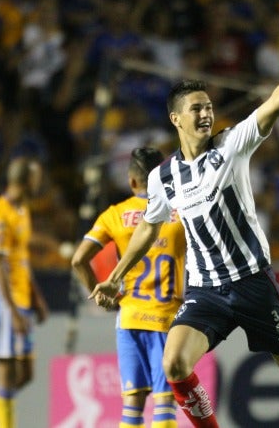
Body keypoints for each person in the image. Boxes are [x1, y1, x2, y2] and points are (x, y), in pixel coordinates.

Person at [91, 12, 279, 428]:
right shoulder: (163, 177)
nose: (206, 114)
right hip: (206, 290)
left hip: (253, 282)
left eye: (209, 107)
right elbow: (148, 228)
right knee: (174, 363)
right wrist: (117, 276)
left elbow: (276, 102)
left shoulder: (231, 146)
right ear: (176, 119)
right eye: (196, 108)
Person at [71, 147, 186, 428]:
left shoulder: (114, 214)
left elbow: (78, 260)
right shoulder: (182, 210)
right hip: (166, 317)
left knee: (132, 407)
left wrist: (103, 296)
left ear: (132, 181)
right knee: (164, 403)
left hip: (129, 317)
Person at [0, 157, 49, 428]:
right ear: (25, 181)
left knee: (25, 374)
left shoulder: (22, 210)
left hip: (21, 298)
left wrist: (36, 297)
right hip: (1, 300)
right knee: (6, 377)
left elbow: (21, 259)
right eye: (36, 178)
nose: (40, 183)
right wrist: (13, 312)